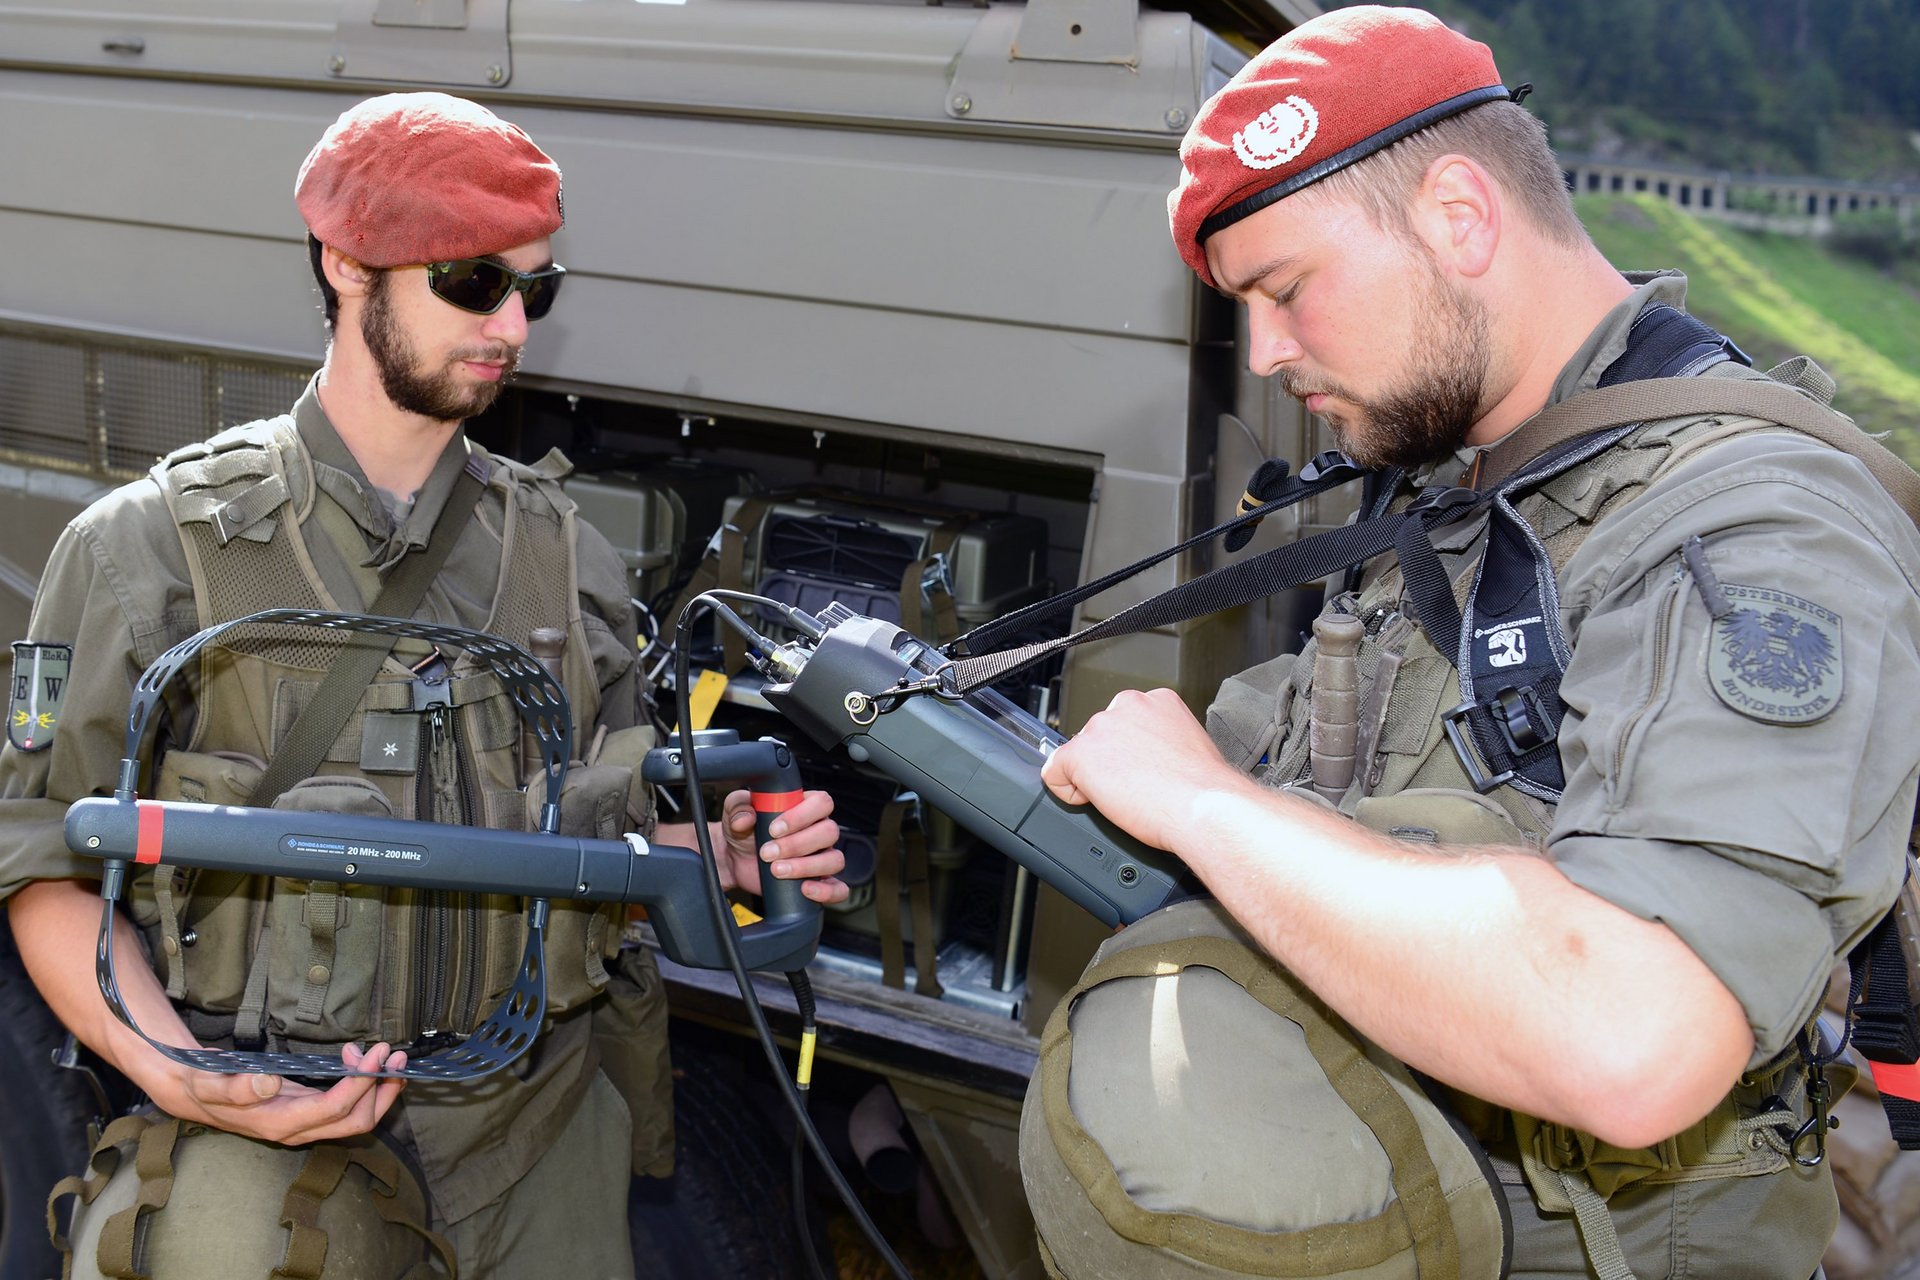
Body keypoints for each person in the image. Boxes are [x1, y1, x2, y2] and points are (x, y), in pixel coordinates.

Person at [1021, 7, 1920, 1279]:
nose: (1269, 355)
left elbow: (1635, 1036)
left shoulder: (1752, 525)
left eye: (1285, 289)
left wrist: (1205, 806)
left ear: (1458, 213)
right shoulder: (1469, 487)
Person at [0, 92, 847, 1279]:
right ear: (346, 266)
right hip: (269, 1120)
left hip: (534, 1136)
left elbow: (606, 821)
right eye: (471, 281)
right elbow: (44, 848)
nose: (511, 322)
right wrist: (163, 1063)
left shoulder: (565, 557)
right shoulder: (148, 551)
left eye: (535, 290)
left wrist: (719, 852)